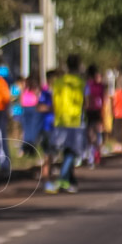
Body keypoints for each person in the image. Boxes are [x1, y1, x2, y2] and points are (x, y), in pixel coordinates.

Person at [46, 55, 86, 194]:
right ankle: (63, 178)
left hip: (61, 120)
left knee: (66, 151)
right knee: (72, 151)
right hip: (75, 121)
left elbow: (54, 102)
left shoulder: (59, 82)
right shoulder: (80, 82)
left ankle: (71, 181)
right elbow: (85, 101)